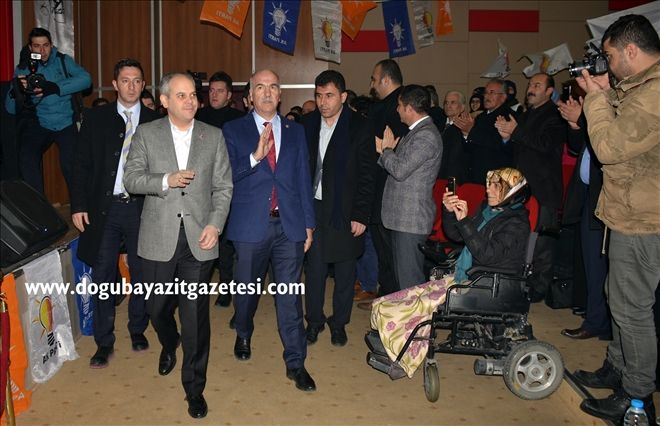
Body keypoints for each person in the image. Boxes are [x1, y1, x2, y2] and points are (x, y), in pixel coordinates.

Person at [123, 72, 233, 419]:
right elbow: (131, 179)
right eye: (181, 95)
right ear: (165, 100)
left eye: (193, 95)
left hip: (199, 239)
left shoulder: (212, 136)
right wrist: (165, 180)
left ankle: (194, 389)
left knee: (195, 318)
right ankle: (170, 343)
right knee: (156, 308)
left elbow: (223, 187)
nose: (190, 101)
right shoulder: (146, 134)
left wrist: (215, 224)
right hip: (159, 237)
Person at [570, 14, 660, 425]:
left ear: (631, 50)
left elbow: (609, 146)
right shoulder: (641, 88)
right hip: (627, 213)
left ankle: (636, 397)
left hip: (644, 220)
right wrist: (608, 94)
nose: (606, 64)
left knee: (633, 309)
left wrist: (594, 100)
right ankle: (618, 369)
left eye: (608, 56)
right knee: (618, 298)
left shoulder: (654, 93)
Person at [371, 167, 531, 377]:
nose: (488, 190)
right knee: (395, 300)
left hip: (488, 283)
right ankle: (389, 342)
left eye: (496, 186)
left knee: (420, 306)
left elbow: (487, 255)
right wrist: (449, 212)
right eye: (489, 185)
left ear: (512, 192)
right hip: (468, 276)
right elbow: (456, 235)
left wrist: (465, 221)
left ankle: (402, 357)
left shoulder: (516, 223)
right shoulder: (490, 211)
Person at [222, 69, 317, 392]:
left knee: (289, 297)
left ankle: (296, 362)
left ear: (280, 94)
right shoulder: (233, 130)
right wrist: (254, 157)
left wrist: (308, 224)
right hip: (250, 226)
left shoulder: (295, 131)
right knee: (246, 292)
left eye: (273, 87)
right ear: (249, 95)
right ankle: (243, 332)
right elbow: (224, 176)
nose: (266, 92)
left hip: (288, 225)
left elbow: (303, 178)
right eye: (260, 87)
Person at [71, 58, 161, 368]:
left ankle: (137, 328)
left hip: (142, 209)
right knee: (103, 275)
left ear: (143, 84)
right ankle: (103, 341)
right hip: (104, 209)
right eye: (125, 80)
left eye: (137, 81)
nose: (131, 86)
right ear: (114, 84)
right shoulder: (96, 118)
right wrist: (78, 205)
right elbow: (80, 165)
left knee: (142, 273)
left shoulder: (155, 121)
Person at [302, 70, 377, 346]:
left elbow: (368, 176)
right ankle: (314, 321)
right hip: (314, 208)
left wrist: (361, 214)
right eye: (319, 95)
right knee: (315, 270)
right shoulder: (307, 124)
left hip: (345, 211)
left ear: (343, 97)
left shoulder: (360, 126)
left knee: (345, 272)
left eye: (329, 96)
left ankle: (339, 323)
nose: (323, 102)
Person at [495, 72, 566, 302]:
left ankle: (538, 289)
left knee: (542, 242)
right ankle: (521, 283)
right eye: (530, 85)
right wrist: (507, 137)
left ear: (549, 91)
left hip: (544, 188)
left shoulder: (555, 115)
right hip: (522, 188)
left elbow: (544, 144)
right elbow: (520, 147)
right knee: (522, 237)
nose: (531, 89)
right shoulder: (526, 115)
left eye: (537, 85)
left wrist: (515, 131)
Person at [5, 27, 91, 195]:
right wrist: (16, 91)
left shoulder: (62, 60)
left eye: (45, 45)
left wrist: (55, 87)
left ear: (52, 45)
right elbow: (9, 109)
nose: (42, 51)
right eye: (37, 46)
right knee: (27, 160)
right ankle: (37, 207)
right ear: (30, 47)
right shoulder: (23, 68)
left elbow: (86, 80)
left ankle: (80, 208)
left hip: (66, 121)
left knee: (72, 167)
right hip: (39, 123)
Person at [377, 84, 443, 289]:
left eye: (399, 106)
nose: (397, 110)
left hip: (411, 219)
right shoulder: (415, 132)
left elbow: (399, 170)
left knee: (410, 283)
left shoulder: (426, 135)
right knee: (402, 280)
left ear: (409, 108)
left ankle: (416, 313)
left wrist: (386, 151)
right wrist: (385, 152)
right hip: (402, 218)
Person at [558, 96, 611, 340]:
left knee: (602, 266)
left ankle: (599, 321)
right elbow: (577, 147)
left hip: (607, 197)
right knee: (591, 264)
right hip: (587, 196)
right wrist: (575, 126)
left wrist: (581, 119)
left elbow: (608, 144)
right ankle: (595, 318)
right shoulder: (594, 104)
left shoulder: (618, 103)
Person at [195, 71, 246, 308]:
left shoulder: (240, 120)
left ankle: (226, 288)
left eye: (220, 91)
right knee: (199, 241)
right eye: (212, 90)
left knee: (225, 244)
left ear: (229, 95)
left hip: (229, 188)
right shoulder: (197, 116)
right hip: (200, 188)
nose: (215, 94)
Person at [366, 59, 409, 301]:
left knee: (388, 252)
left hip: (386, 189)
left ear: (385, 79)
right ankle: (388, 298)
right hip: (391, 188)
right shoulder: (393, 105)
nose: (372, 85)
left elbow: (382, 148)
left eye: (374, 79)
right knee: (387, 252)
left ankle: (390, 300)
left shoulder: (390, 108)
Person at [455, 79, 516, 184]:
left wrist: (471, 131)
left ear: (503, 97)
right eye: (486, 92)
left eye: (492, 92)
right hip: (475, 175)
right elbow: (470, 148)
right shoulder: (480, 116)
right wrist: (466, 134)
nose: (487, 96)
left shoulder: (509, 117)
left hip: (495, 177)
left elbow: (497, 144)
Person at [438, 90, 468, 183]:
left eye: (453, 102)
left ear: (462, 107)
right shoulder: (438, 125)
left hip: (455, 178)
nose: (448, 106)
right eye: (446, 103)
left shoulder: (465, 127)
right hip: (437, 176)